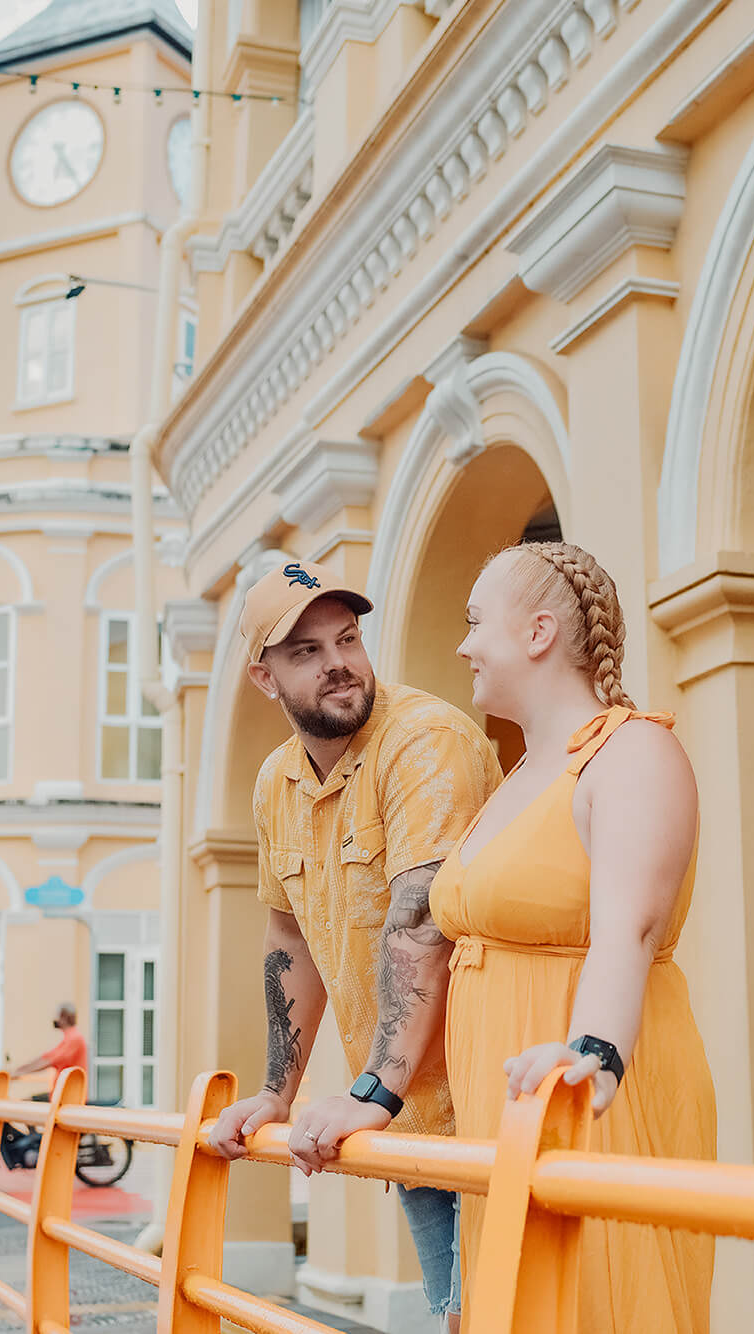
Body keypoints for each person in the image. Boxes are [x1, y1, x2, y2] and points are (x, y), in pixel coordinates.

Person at [208, 559, 503, 1330]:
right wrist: (279, 1091)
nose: (338, 661)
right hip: (408, 1114)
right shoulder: (276, 781)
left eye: (347, 638)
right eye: (306, 651)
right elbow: (289, 937)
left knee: (497, 1316)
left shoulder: (423, 740)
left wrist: (372, 1089)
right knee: (459, 1317)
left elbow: (422, 920)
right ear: (263, 677)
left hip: (487, 1105)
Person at [432, 541, 717, 1333]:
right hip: (503, 1125)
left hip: (588, 1104)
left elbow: (627, 930)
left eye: (475, 621)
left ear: (538, 633)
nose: (462, 644)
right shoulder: (516, 779)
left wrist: (590, 1060)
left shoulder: (633, 753)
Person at [11, 1002, 87, 1090]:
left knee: (25, 1101)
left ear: (64, 1017)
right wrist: (19, 1070)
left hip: (68, 1097)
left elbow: (49, 1061)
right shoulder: (69, 1038)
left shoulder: (74, 1039)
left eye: (57, 1016)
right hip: (62, 1095)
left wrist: (19, 1072)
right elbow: (46, 1057)